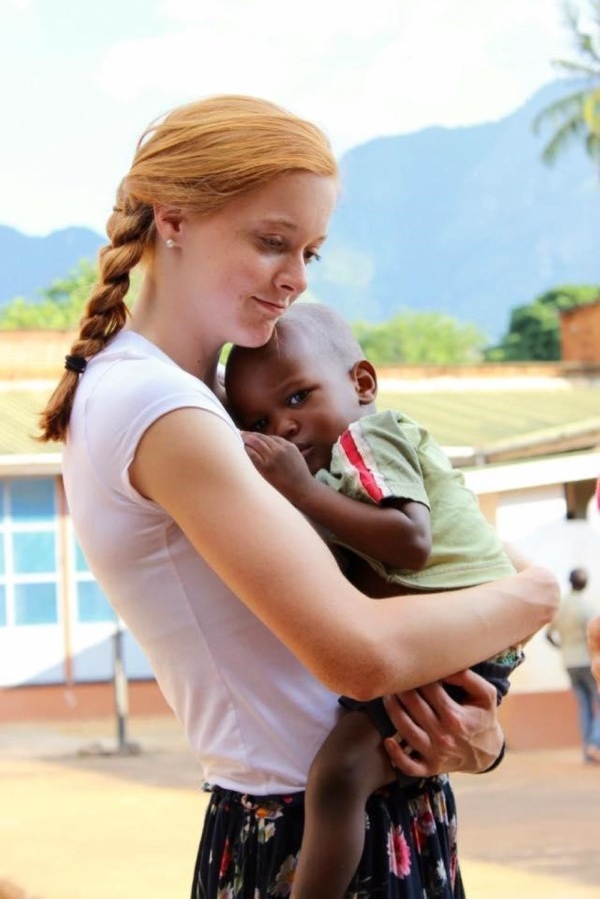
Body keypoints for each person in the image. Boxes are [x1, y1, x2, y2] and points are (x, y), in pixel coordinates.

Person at [38, 94, 558, 899]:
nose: (297, 279)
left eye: (311, 250)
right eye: (272, 241)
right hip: (299, 826)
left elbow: (441, 553)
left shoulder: (217, 402)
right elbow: (359, 652)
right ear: (172, 220)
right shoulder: (163, 410)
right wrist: (535, 593)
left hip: (368, 803)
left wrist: (476, 741)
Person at [225, 303, 526, 898]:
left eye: (297, 397)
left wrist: (301, 492)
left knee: (337, 776)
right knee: (357, 769)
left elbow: (411, 543)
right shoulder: (333, 472)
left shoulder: (370, 437)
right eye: (258, 421)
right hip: (443, 635)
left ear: (362, 383)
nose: (282, 428)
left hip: (462, 629)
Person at [546, 568, 600, 764]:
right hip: (588, 662)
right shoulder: (587, 607)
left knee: (584, 705)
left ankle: (588, 751)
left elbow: (548, 635)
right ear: (585, 584)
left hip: (569, 662)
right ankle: (595, 743)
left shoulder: (560, 607)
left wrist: (563, 648)